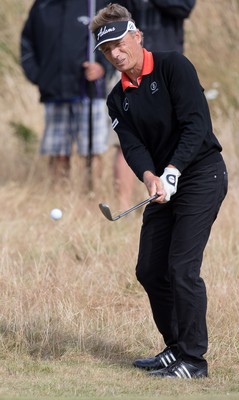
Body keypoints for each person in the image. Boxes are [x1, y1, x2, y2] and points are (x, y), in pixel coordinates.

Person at [91, 3, 228, 378]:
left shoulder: (173, 66)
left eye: (120, 43)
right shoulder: (117, 97)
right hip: (164, 184)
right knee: (150, 269)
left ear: (137, 36)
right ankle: (175, 347)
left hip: (201, 173)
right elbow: (132, 146)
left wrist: (173, 170)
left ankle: (194, 361)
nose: (116, 54)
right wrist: (151, 178)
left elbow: (196, 123)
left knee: (182, 268)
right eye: (107, 50)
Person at [109, 0, 196, 208]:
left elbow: (184, 7)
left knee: (175, 134)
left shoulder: (173, 65)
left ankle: (173, 192)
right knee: (125, 141)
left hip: (166, 68)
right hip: (127, 67)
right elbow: (109, 21)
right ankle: (124, 206)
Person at [20, 0, 110, 192]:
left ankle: (93, 196)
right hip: (54, 91)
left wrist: (102, 66)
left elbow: (112, 40)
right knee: (58, 151)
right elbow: (27, 41)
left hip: (89, 90)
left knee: (91, 151)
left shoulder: (94, 4)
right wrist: (38, 76)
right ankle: (59, 197)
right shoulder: (42, 6)